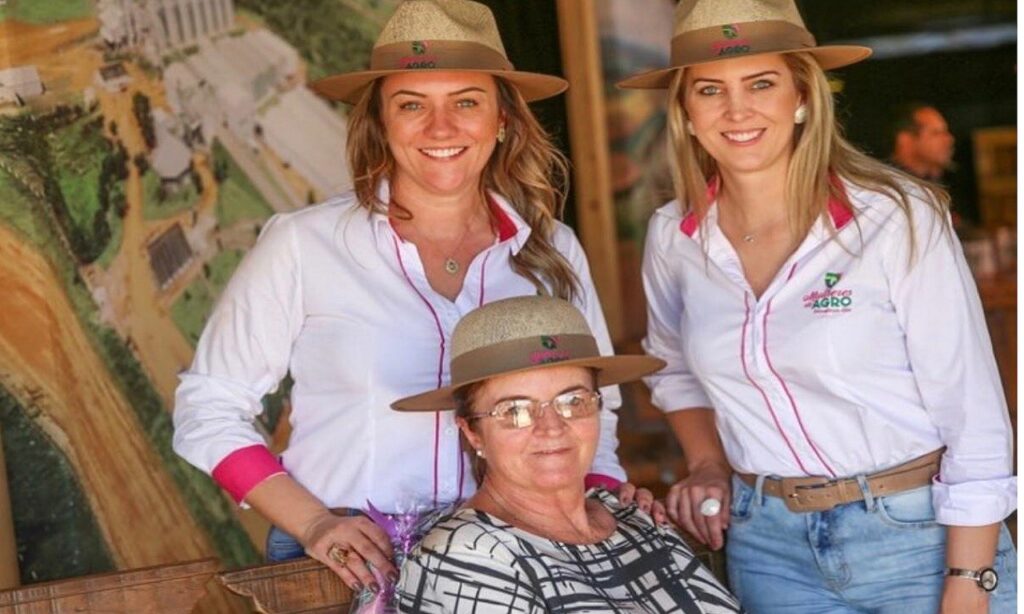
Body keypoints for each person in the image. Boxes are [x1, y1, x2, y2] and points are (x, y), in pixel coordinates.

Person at [173, 0, 650, 593]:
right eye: (412, 105)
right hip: (347, 557)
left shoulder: (553, 250)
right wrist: (314, 522)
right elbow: (207, 408)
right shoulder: (302, 245)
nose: (441, 129)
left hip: (521, 557)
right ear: (381, 121)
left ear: (502, 118)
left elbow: (593, 406)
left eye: (466, 103)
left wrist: (602, 499)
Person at [619, 0, 1017, 612]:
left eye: (761, 83)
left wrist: (969, 581)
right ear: (686, 112)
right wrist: (705, 462)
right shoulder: (675, 237)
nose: (737, 110)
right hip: (769, 548)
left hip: (920, 537)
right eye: (709, 90)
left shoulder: (896, 217)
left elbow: (974, 416)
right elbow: (672, 367)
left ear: (802, 96)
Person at [392, 296, 741, 613]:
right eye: (515, 411)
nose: (552, 427)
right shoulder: (467, 558)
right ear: (472, 431)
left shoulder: (631, 518)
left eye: (573, 402)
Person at [889, 102, 978, 229]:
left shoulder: (952, 183)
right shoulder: (891, 190)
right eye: (936, 133)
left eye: (946, 132)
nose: (949, 139)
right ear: (905, 140)